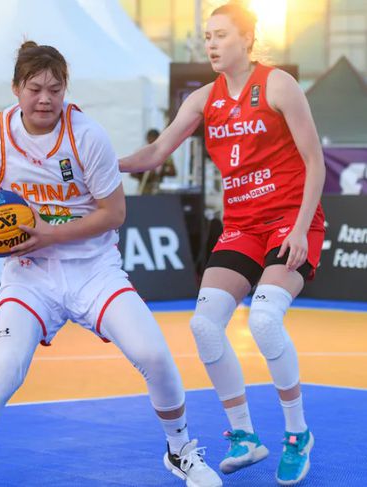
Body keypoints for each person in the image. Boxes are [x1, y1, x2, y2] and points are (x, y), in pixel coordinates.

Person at [0, 41, 222, 487]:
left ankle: (179, 450)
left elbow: (114, 213)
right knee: (3, 370)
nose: (45, 99)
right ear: (16, 89)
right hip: (29, 273)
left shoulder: (87, 135)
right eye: (35, 89)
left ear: (66, 89)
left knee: (154, 355)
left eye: (55, 89)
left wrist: (49, 232)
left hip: (92, 269)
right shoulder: (0, 131)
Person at [120, 4, 325, 485]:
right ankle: (244, 435)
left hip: (290, 220)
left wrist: (300, 228)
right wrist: (102, 163)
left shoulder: (278, 85)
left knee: (264, 319)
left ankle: (298, 434)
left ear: (247, 39)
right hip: (242, 225)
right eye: (207, 36)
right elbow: (157, 152)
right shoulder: (203, 99)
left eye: (220, 35)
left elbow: (315, 161)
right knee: (204, 325)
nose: (210, 44)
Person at [130, 129, 177, 194]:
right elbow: (132, 173)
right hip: (144, 190)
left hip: (158, 190)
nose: (152, 142)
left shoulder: (165, 153)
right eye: (150, 139)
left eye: (155, 139)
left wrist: (160, 171)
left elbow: (173, 172)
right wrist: (143, 173)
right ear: (147, 139)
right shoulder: (141, 153)